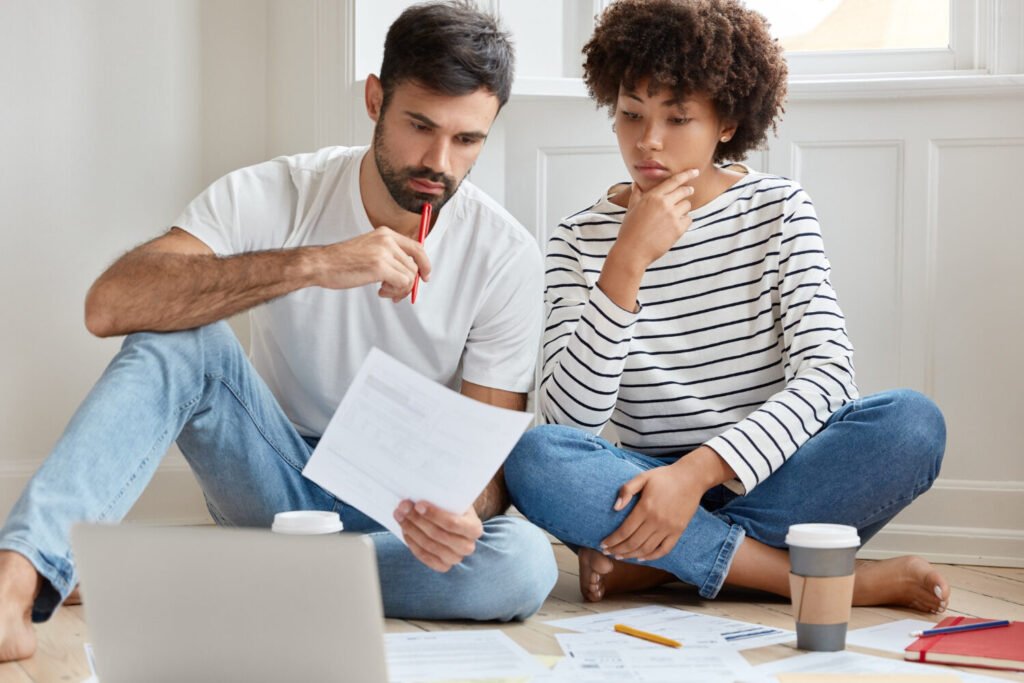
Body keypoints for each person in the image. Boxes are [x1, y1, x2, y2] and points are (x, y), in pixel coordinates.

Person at [0, 0, 556, 662]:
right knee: (183, 337)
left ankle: (237, 577)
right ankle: (14, 585)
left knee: (522, 562)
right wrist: (314, 264)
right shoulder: (282, 191)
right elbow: (111, 304)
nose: (439, 161)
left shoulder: (505, 254)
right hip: (275, 474)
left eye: (467, 140)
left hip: (399, 508)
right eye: (420, 125)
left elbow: (487, 467)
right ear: (375, 100)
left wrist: (462, 507)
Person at [504, 0, 949, 615]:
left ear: (728, 123)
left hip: (767, 472)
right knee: (535, 459)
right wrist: (626, 261)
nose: (647, 140)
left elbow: (828, 377)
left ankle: (665, 561)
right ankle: (811, 580)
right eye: (631, 114)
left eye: (677, 118)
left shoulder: (779, 210)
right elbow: (569, 424)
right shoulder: (577, 239)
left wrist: (693, 477)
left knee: (913, 425)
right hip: (641, 478)